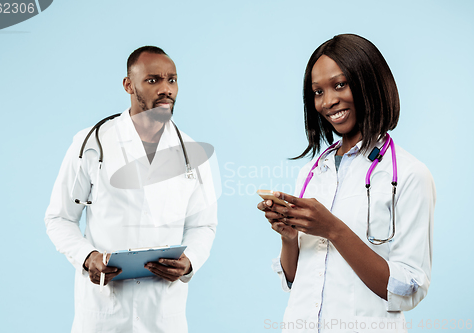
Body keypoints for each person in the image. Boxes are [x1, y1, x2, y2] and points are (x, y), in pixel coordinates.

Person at [258, 34, 435, 332]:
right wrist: (289, 237)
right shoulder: (313, 172)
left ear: (369, 82)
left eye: (340, 85)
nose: (328, 101)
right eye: (317, 92)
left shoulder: (409, 174)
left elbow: (408, 289)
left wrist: (333, 229)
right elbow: (294, 279)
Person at [45, 46, 218, 333]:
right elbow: (59, 218)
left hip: (163, 314)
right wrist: (88, 258)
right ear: (128, 85)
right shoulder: (92, 143)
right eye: (153, 80)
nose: (166, 89)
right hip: (104, 313)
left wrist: (189, 263)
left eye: (172, 80)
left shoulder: (191, 152)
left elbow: (203, 225)